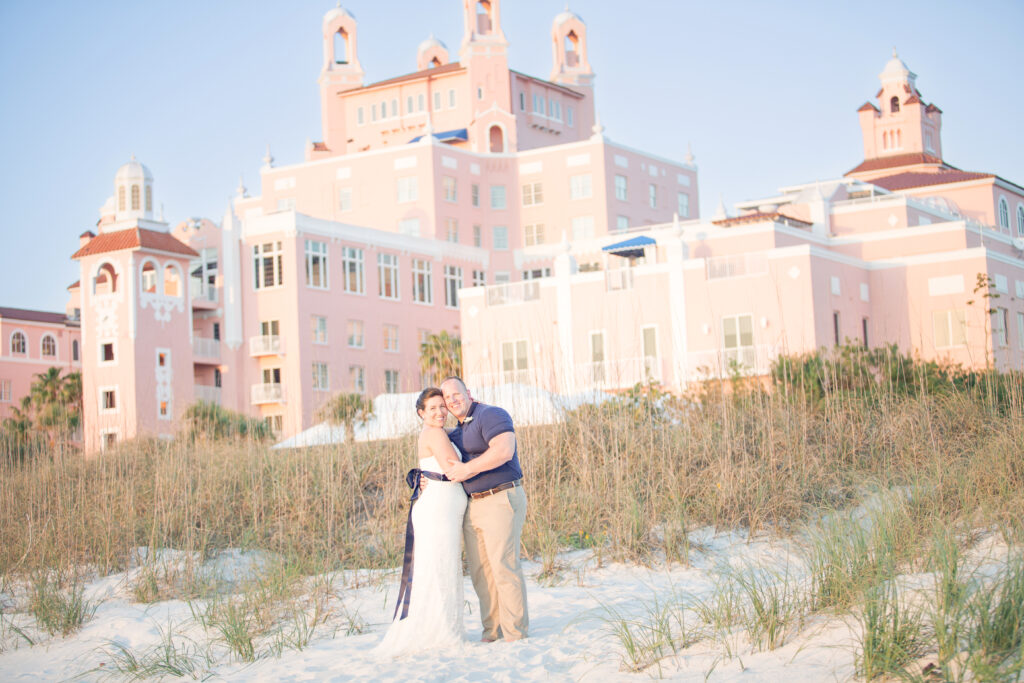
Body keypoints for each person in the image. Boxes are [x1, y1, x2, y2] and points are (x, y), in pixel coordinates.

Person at [375, 388, 468, 657]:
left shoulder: (440, 432)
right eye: (433, 408)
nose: (440, 412)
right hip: (438, 509)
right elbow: (453, 466)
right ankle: (437, 631)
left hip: (443, 508)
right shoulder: (435, 433)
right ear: (421, 413)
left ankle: (443, 628)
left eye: (442, 406)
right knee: (438, 568)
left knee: (442, 566)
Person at [441, 376, 529, 642]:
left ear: (468, 392)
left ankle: (515, 634)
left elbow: (503, 450)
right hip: (472, 505)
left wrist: (468, 469)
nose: (453, 400)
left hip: (500, 498)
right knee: (481, 573)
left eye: (457, 394)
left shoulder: (490, 414)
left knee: (503, 566)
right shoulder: (455, 431)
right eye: (447, 398)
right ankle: (493, 630)